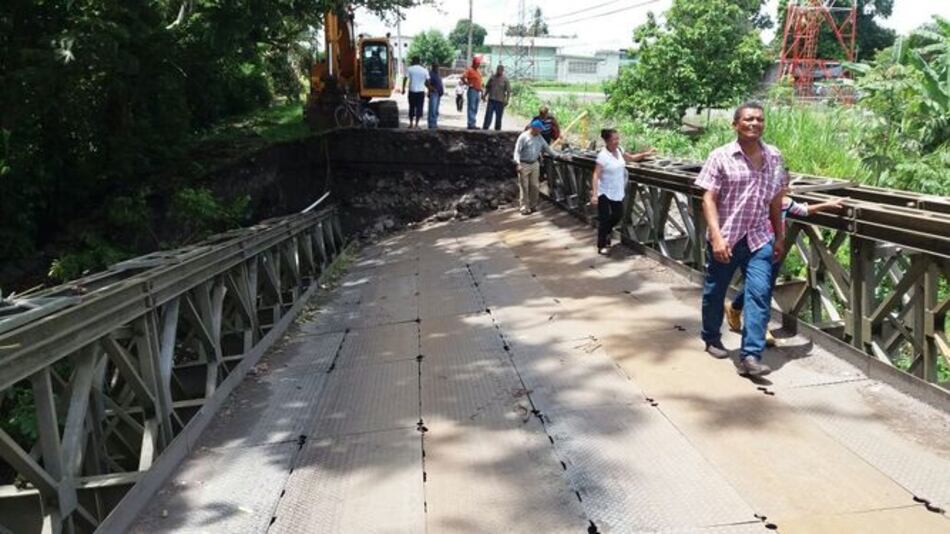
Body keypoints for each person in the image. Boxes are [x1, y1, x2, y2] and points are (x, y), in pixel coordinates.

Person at [695, 101, 785, 377]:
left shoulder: (774, 156)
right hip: (728, 237)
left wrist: (779, 236)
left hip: (759, 237)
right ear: (735, 124)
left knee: (759, 293)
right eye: (748, 119)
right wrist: (717, 236)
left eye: (759, 119)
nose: (754, 123)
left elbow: (776, 199)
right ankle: (711, 337)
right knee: (715, 290)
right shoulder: (720, 156)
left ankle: (750, 356)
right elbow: (708, 198)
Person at [725, 181, 844, 345]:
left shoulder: (786, 202)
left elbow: (804, 210)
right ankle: (761, 327)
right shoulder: (758, 200)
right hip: (755, 247)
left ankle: (735, 308)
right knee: (762, 287)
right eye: (784, 185)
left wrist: (827, 204)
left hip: (774, 248)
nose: (788, 188)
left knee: (763, 285)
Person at [590, 129, 655, 255]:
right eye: (614, 139)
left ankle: (606, 232)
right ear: (607, 141)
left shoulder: (619, 150)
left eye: (617, 138)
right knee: (604, 218)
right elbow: (596, 175)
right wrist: (594, 194)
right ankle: (602, 245)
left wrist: (646, 153)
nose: (617, 141)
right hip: (604, 191)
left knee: (617, 215)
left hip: (617, 190)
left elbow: (631, 158)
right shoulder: (602, 156)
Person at [513, 119, 566, 215]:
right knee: (524, 186)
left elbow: (547, 149)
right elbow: (517, 151)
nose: (540, 131)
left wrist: (559, 156)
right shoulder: (523, 137)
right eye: (539, 129)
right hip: (524, 163)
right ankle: (524, 207)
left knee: (534, 186)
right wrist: (518, 164)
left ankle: (533, 205)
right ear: (533, 128)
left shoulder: (539, 137)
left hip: (534, 163)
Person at [402, 56, 429, 128]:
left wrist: (403, 89)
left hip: (412, 91)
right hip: (421, 92)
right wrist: (429, 90)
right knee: (419, 108)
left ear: (413, 61)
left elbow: (405, 79)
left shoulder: (410, 69)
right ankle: (417, 124)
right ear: (419, 61)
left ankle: (411, 124)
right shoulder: (424, 70)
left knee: (411, 107)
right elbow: (428, 81)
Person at [482, 65, 511, 131]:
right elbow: (488, 88)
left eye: (500, 70)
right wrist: (484, 95)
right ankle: (485, 128)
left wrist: (507, 100)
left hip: (500, 101)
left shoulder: (505, 79)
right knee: (488, 115)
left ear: (502, 71)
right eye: (498, 70)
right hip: (491, 99)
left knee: (499, 117)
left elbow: (508, 91)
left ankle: (497, 130)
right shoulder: (492, 78)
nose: (498, 71)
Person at [462, 57, 483, 129]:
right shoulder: (469, 70)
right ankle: (471, 124)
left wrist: (482, 90)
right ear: (474, 63)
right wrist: (467, 84)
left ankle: (473, 122)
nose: (478, 65)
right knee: (472, 107)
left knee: (475, 108)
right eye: (477, 63)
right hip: (472, 90)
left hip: (478, 91)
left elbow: (480, 81)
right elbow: (463, 77)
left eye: (479, 63)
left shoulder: (478, 71)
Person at [426, 63, 444, 129]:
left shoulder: (437, 74)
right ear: (433, 67)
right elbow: (426, 83)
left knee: (436, 110)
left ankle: (434, 123)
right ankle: (431, 124)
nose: (437, 68)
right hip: (433, 93)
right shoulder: (430, 74)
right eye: (436, 67)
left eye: (438, 67)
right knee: (432, 109)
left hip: (438, 94)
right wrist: (432, 88)